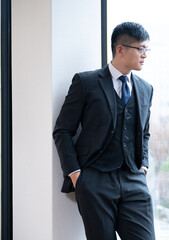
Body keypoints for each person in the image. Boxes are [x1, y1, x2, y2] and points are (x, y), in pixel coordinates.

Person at [53, 22, 155, 240]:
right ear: (120, 49)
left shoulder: (146, 89)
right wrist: (75, 174)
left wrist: (143, 165)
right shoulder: (86, 82)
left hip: (133, 180)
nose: (145, 55)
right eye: (141, 49)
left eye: (147, 49)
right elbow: (62, 130)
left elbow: (144, 133)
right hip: (94, 181)